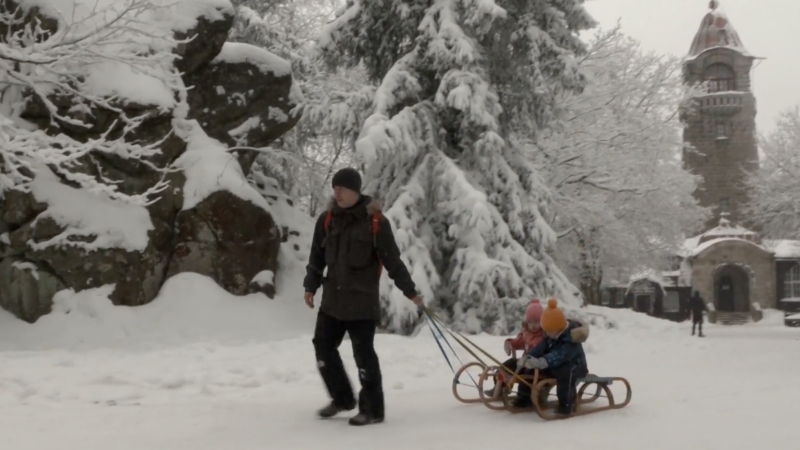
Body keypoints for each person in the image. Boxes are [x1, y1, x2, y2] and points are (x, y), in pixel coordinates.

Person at [303, 167, 423, 427]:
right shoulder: (327, 219)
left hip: (361, 302)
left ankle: (373, 410)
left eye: (342, 189)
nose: (337, 193)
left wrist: (410, 291)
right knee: (323, 347)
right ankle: (343, 398)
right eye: (334, 189)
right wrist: (310, 286)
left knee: (364, 355)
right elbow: (316, 257)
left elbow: (392, 261)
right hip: (332, 300)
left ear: (355, 191)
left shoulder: (376, 222)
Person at [517, 299, 590, 415]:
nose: (546, 334)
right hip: (555, 366)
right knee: (530, 369)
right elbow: (540, 347)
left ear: (557, 329)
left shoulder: (570, 340)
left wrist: (543, 361)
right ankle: (524, 397)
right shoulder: (551, 335)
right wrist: (528, 357)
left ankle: (567, 404)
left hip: (575, 367)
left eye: (548, 331)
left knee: (566, 376)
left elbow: (560, 355)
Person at [484, 299, 545, 397]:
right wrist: (510, 343)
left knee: (527, 374)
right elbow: (518, 342)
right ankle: (499, 387)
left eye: (537, 322)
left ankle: (524, 396)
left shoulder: (544, 335)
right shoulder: (526, 333)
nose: (533, 325)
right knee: (508, 364)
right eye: (530, 322)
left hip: (537, 366)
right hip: (524, 363)